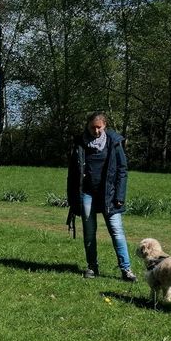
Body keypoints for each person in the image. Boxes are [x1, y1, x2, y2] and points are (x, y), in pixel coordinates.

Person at [66, 112, 137, 282]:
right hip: (87, 194)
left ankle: (126, 269)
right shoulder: (79, 143)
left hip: (110, 195)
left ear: (105, 126)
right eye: (93, 127)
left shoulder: (114, 142)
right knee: (89, 233)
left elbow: (122, 171)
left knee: (117, 232)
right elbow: (72, 174)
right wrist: (72, 199)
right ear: (87, 126)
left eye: (99, 127)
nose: (96, 131)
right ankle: (92, 267)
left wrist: (120, 196)